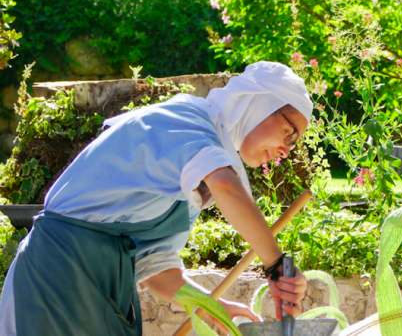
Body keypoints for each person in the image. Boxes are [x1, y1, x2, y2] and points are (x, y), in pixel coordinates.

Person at [0, 61, 311, 336]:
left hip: (101, 292)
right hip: (58, 278)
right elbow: (226, 186)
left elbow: (156, 269)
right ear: (257, 103)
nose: (287, 149)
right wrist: (275, 265)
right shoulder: (186, 122)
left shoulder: (200, 172)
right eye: (289, 132)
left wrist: (213, 308)